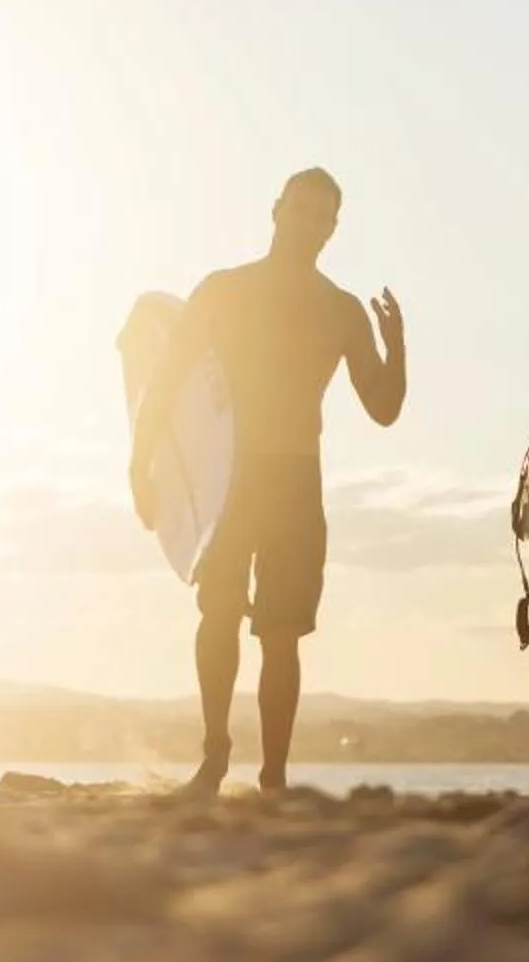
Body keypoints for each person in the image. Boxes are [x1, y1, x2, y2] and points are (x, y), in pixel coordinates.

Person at [134, 168, 405, 795]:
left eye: (322, 217)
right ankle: (214, 757)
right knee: (219, 611)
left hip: (295, 479)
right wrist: (140, 464)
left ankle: (274, 777)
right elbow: (167, 380)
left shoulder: (340, 310)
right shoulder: (223, 291)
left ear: (333, 228)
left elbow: (384, 408)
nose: (308, 224)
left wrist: (396, 348)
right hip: (228, 475)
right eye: (300, 210)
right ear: (276, 209)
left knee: (282, 633)